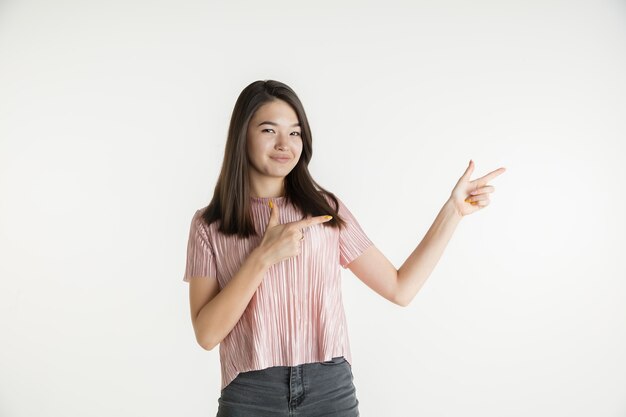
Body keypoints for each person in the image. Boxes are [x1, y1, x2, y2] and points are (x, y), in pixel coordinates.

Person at [182, 79, 506, 417]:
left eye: (295, 133)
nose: (284, 144)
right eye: (268, 130)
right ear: (241, 135)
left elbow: (400, 288)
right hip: (250, 393)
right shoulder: (209, 224)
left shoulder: (326, 211)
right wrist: (261, 258)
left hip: (329, 388)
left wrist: (452, 212)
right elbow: (206, 334)